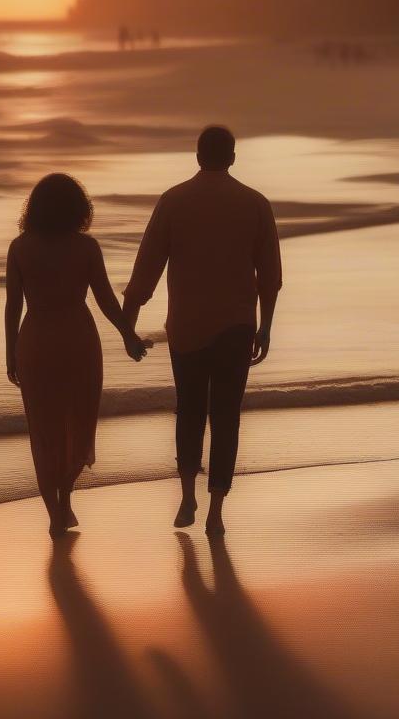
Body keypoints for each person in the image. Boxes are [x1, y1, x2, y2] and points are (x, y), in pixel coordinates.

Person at [123, 126, 282, 536]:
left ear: (198, 157)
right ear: (231, 158)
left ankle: (188, 495)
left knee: (190, 410)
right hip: (237, 325)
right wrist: (265, 328)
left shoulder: (174, 201)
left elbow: (146, 269)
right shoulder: (255, 204)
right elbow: (270, 276)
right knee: (226, 416)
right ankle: (215, 512)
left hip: (188, 327)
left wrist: (127, 324)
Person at [5, 173, 152, 536]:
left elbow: (12, 305)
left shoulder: (20, 248)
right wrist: (128, 336)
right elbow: (104, 300)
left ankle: (55, 512)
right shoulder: (86, 248)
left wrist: (10, 352)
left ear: (34, 208)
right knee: (79, 426)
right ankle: (66, 499)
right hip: (78, 342)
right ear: (78, 208)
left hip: (36, 342)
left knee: (44, 431)